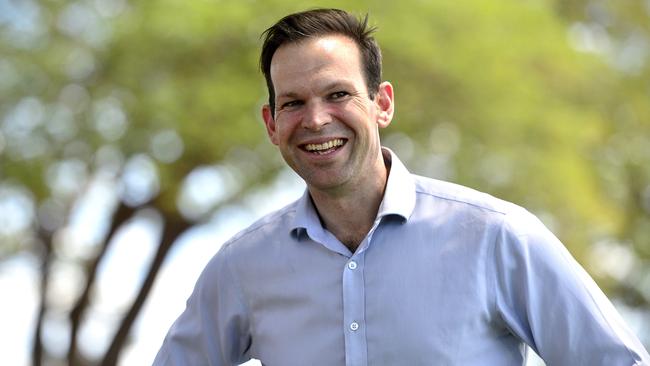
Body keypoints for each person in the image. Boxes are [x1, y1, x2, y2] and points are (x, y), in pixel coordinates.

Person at [153, 8, 650, 366]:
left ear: (382, 104)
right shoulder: (243, 266)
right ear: (271, 122)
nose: (316, 119)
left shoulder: (497, 238)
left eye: (338, 94)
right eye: (293, 103)